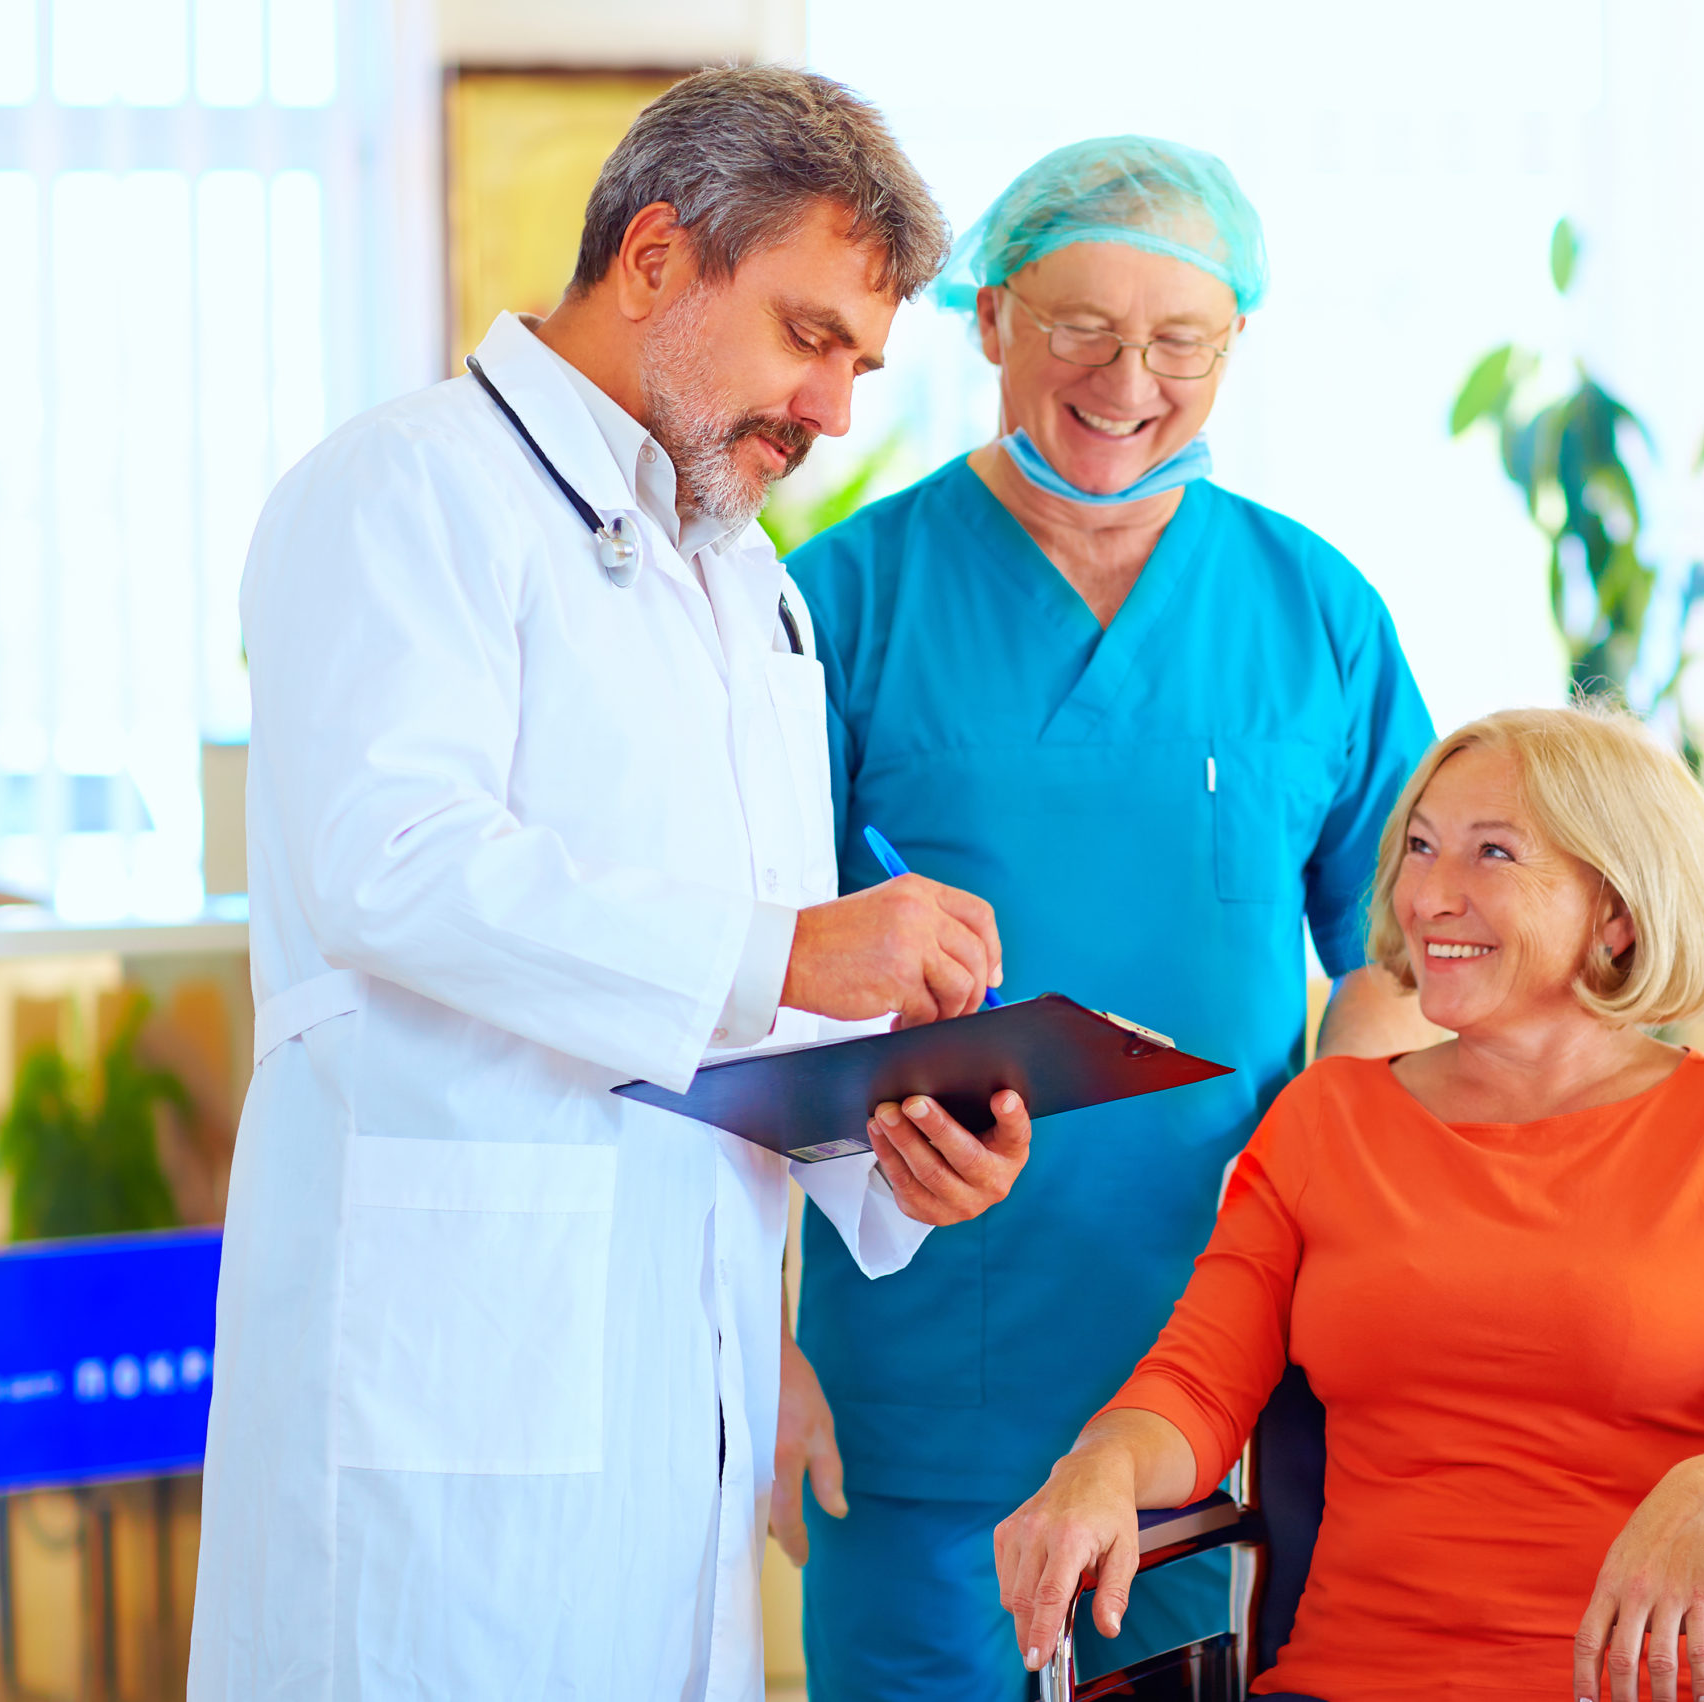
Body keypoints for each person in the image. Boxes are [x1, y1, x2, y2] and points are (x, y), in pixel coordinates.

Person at [191, 68, 1038, 1701]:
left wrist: (889, 1139)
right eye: (808, 336)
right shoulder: (405, 490)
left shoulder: (751, 595)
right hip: (454, 1356)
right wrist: (793, 943)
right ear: (656, 256)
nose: (835, 411)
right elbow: (391, 862)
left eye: (859, 364)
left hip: (682, 1371)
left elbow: (757, 1000)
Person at [780, 136, 1439, 1696]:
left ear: (1234, 347)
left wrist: (1346, 1181)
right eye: (1078, 326)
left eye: (1179, 340)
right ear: (992, 315)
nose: (1127, 378)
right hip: (920, 1385)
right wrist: (765, 1353)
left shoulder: (1316, 612)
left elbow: (1408, 958)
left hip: (1221, 1370)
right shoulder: (840, 605)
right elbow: (744, 989)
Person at [994, 704, 1704, 1702]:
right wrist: (1103, 1461)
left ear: (1616, 909)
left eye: (1491, 853)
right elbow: (1195, 1395)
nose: (1429, 896)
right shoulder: (1325, 1120)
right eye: (1419, 847)